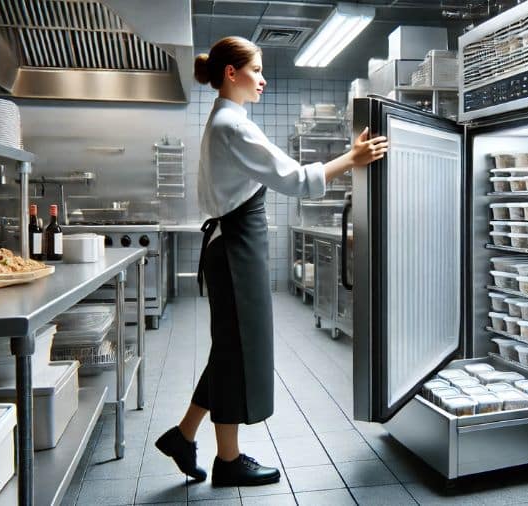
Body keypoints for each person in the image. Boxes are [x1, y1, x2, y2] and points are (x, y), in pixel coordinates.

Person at [155, 36, 388, 487]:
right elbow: (298, 179)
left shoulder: (225, 119)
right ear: (231, 73)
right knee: (235, 350)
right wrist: (353, 158)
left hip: (234, 248)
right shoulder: (233, 126)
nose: (262, 79)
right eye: (256, 70)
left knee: (230, 350)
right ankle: (218, 455)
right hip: (236, 250)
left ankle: (195, 441)